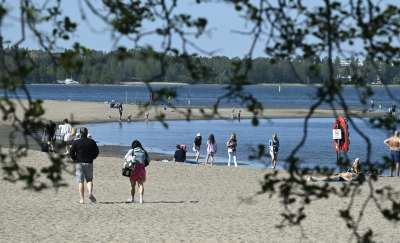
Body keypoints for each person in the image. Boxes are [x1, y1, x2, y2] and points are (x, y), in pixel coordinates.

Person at [69, 127, 99, 204]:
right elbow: (97, 152)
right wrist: (93, 157)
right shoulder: (91, 142)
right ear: (87, 133)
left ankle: (82, 199)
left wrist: (74, 159)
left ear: (80, 133)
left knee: (80, 181)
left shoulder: (76, 142)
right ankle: (89, 193)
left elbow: (71, 152)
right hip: (89, 162)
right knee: (89, 180)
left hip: (79, 163)